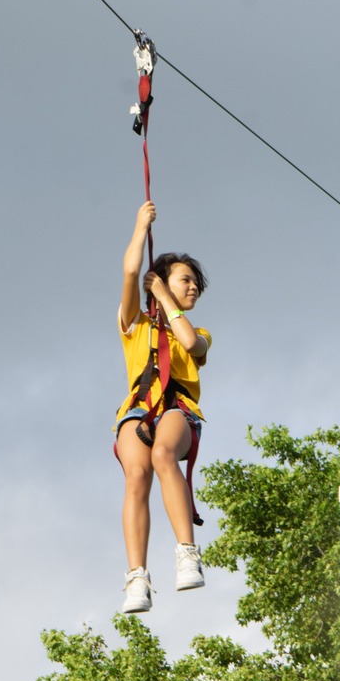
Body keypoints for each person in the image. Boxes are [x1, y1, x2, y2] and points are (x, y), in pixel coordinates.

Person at [115, 198, 210, 614]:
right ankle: (137, 577)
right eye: (185, 280)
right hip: (138, 409)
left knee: (163, 453)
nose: (193, 288)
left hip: (178, 409)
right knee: (137, 476)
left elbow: (191, 344)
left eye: (195, 285)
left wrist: (165, 298)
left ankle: (187, 551)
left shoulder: (199, 330)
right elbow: (131, 271)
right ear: (164, 281)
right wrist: (140, 227)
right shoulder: (135, 324)